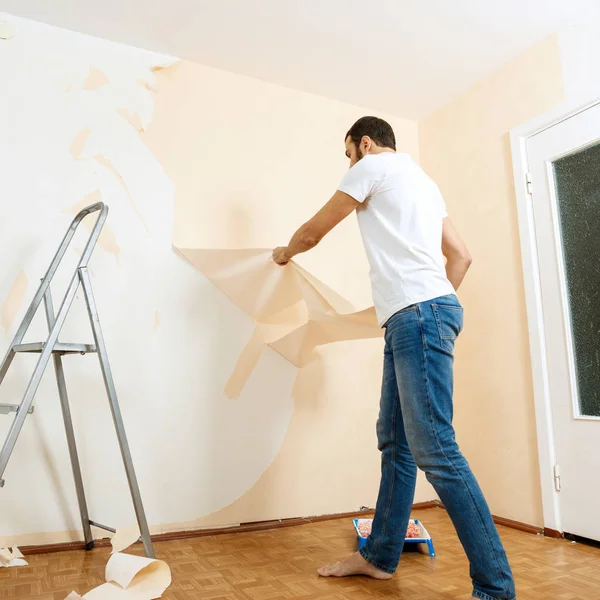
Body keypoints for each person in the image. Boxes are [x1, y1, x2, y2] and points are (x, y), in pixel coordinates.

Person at [272, 116, 516, 600]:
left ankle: (495, 588)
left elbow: (313, 233)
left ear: (365, 143)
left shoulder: (373, 167)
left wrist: (282, 254)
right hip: (421, 313)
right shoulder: (424, 182)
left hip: (417, 317)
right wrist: (435, 302)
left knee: (435, 451)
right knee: (396, 441)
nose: (348, 164)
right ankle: (379, 557)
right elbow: (461, 256)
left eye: (348, 154)